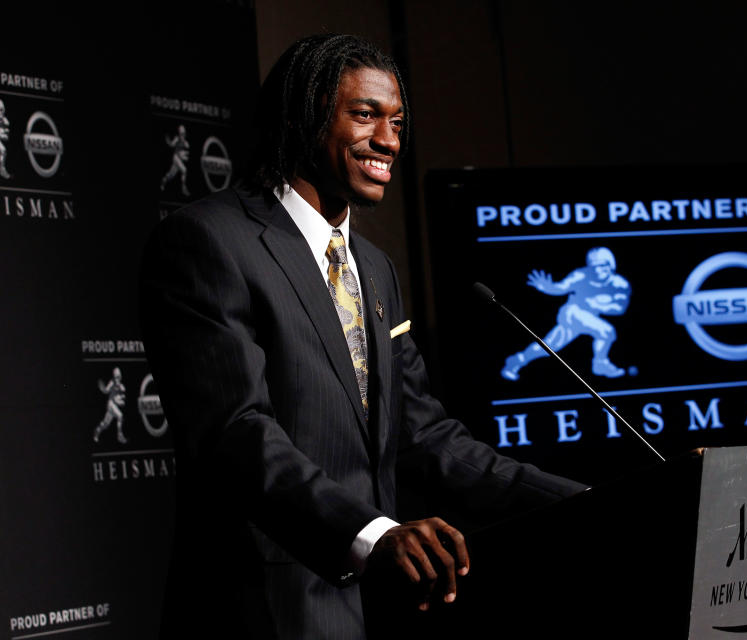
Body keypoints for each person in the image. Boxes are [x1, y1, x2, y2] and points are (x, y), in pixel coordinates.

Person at [139, 34, 586, 640]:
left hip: (378, 613)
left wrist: (583, 501)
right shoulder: (209, 240)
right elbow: (235, 433)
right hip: (265, 611)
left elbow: (425, 437)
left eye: (397, 121)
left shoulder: (373, 267)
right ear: (306, 116)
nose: (390, 141)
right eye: (366, 115)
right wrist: (375, 535)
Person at [502, 247, 632, 380]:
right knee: (607, 331)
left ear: (611, 264)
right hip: (572, 313)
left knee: (549, 347)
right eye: (594, 266)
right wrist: (548, 288)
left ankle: (519, 359)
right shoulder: (580, 275)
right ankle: (600, 363)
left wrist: (597, 305)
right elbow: (561, 287)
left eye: (602, 265)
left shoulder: (620, 284)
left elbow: (619, 308)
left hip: (590, 317)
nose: (598, 270)